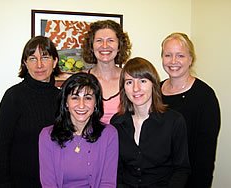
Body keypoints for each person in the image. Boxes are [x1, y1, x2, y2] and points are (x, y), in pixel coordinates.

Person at [0, 36, 61, 188]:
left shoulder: (63, 98)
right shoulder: (13, 97)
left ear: (54, 61)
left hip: (56, 182)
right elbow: (0, 148)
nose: (39, 64)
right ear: (25, 63)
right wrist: (3, 184)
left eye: (45, 57)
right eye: (32, 58)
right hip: (19, 183)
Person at [110, 57, 190, 188]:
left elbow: (181, 169)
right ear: (124, 88)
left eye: (142, 81)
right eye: (129, 82)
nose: (136, 88)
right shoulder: (117, 122)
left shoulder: (174, 121)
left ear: (153, 84)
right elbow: (116, 169)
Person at [160, 32, 221, 188]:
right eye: (168, 55)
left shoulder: (204, 96)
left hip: (189, 181)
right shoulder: (155, 91)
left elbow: (205, 155)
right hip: (158, 179)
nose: (173, 61)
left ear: (190, 59)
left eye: (180, 56)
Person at [39, 72, 118, 187]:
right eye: (75, 97)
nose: (81, 105)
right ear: (66, 102)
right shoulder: (47, 136)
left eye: (88, 98)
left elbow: (108, 183)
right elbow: (48, 184)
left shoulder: (109, 134)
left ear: (96, 103)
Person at [82, 19, 131, 124]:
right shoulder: (80, 80)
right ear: (91, 46)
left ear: (119, 46)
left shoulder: (130, 79)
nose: (104, 45)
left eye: (110, 40)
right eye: (99, 40)